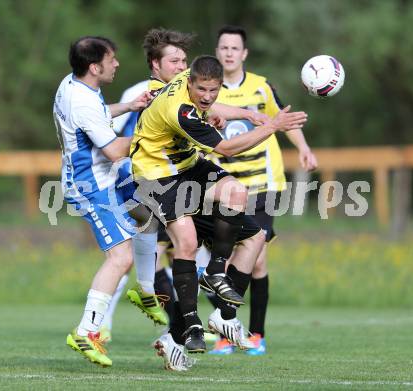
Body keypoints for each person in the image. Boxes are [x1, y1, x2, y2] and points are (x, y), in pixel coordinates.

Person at [129, 55, 308, 369]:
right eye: (202, 90)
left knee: (252, 230)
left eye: (213, 89)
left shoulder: (195, 77)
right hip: (156, 174)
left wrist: (248, 114)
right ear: (190, 83)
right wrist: (272, 125)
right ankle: (187, 329)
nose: (207, 96)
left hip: (186, 166)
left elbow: (213, 107)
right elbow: (227, 149)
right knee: (185, 242)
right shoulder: (180, 110)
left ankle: (221, 304)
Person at [205, 25, 318, 356]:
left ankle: (254, 334)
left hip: (264, 183)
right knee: (227, 259)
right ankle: (229, 330)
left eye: (234, 48)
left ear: (244, 54)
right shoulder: (209, 91)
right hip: (226, 185)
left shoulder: (261, 86)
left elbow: (284, 120)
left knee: (256, 257)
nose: (228, 53)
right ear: (217, 52)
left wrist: (304, 148)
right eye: (223, 47)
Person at [53, 36, 158, 367]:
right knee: (119, 256)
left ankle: (146, 290)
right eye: (111, 59)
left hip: (109, 176)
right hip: (91, 186)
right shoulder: (81, 101)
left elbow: (97, 115)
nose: (117, 64)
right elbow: (113, 150)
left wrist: (130, 106)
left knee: (152, 209)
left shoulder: (76, 86)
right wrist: (157, 134)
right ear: (94, 67)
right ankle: (86, 332)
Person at [99, 28, 196, 341]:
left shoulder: (187, 93)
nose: (182, 67)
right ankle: (103, 325)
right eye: (175, 61)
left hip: (171, 181)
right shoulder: (142, 93)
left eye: (184, 60)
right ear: (155, 65)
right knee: (131, 258)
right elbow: (108, 135)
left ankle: (176, 329)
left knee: (166, 255)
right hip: (135, 181)